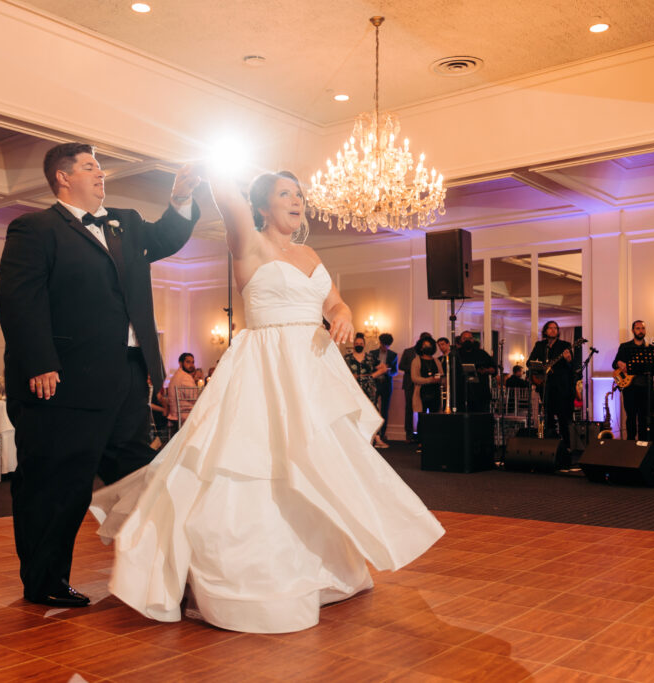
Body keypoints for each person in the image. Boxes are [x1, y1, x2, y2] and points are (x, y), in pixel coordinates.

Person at [90, 169, 443, 634]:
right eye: (284, 194)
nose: (296, 201)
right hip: (264, 365)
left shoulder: (310, 252)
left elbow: (335, 303)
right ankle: (252, 577)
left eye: (299, 194)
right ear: (260, 206)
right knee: (257, 461)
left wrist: (341, 317)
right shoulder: (247, 241)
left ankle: (317, 568)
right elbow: (226, 197)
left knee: (315, 463)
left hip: (311, 370)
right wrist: (219, 164)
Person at [0, 141, 200, 608]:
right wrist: (41, 361)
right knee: (56, 483)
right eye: (89, 167)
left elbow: (167, 237)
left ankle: (169, 569)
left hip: (128, 377)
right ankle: (44, 580)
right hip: (65, 380)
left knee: (142, 477)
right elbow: (18, 299)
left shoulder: (125, 224)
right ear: (63, 178)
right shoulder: (35, 228)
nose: (100, 174)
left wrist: (181, 198)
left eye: (101, 167)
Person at [528, 321, 576, 446]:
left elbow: (571, 367)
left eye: (555, 328)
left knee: (562, 417)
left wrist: (569, 360)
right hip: (545, 386)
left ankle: (566, 446)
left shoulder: (565, 345)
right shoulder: (540, 345)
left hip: (560, 387)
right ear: (545, 331)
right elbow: (530, 362)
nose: (553, 330)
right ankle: (550, 444)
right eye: (550, 328)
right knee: (548, 416)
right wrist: (539, 370)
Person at [343, 333, 388, 448]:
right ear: (353, 345)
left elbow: (384, 368)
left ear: (364, 345)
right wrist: (349, 376)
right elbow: (341, 371)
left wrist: (373, 375)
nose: (359, 345)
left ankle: (376, 437)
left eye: (361, 344)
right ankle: (355, 438)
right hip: (353, 388)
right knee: (354, 411)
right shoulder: (347, 358)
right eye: (356, 343)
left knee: (372, 410)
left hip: (369, 388)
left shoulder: (370, 357)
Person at [613, 320, 649, 440]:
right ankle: (630, 444)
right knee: (631, 417)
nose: (640, 331)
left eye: (642, 328)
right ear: (633, 330)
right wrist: (619, 362)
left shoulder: (649, 348)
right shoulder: (625, 347)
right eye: (638, 328)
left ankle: (643, 445)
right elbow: (614, 364)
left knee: (643, 418)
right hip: (629, 387)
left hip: (644, 387)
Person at [399, 332, 432, 442]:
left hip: (423, 385)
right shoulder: (408, 351)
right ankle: (409, 434)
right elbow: (401, 366)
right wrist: (414, 368)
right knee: (409, 408)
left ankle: (421, 433)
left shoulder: (430, 355)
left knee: (422, 409)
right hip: (409, 384)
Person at [454, 331, 497, 412]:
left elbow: (494, 369)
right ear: (460, 340)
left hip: (480, 393)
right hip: (461, 393)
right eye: (464, 338)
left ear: (473, 340)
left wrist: (486, 370)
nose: (467, 340)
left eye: (469, 338)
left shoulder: (482, 353)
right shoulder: (456, 354)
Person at [368, 333, 398, 443]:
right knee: (372, 408)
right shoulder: (372, 353)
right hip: (374, 383)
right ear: (380, 343)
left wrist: (387, 370)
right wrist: (378, 368)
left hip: (386, 384)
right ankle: (372, 433)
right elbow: (369, 368)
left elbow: (395, 372)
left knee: (385, 410)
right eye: (383, 345)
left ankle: (382, 434)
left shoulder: (393, 355)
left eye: (387, 345)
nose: (385, 347)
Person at [410, 337, 443, 418]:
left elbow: (442, 375)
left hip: (436, 393)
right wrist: (430, 380)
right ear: (421, 348)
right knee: (422, 419)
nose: (428, 347)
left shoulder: (437, 361)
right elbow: (414, 378)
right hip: (422, 393)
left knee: (435, 418)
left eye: (430, 345)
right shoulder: (416, 361)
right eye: (425, 345)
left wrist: (440, 379)